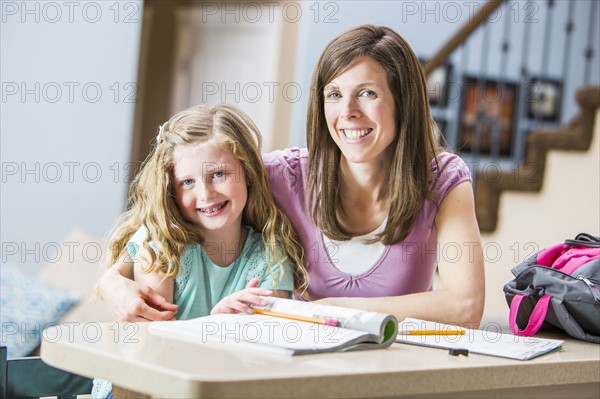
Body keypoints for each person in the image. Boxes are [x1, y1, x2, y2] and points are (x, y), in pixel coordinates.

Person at [99, 24, 485, 328]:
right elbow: (158, 219)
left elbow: (465, 306)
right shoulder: (283, 175)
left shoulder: (442, 180)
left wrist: (335, 308)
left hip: (392, 371)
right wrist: (112, 283)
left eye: (367, 93)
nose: (347, 111)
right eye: (334, 95)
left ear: (404, 103)